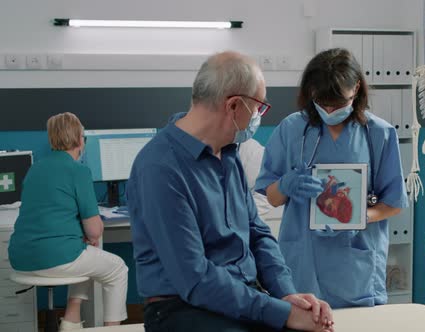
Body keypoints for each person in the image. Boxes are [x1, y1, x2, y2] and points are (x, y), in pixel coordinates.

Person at [126, 51, 334, 332]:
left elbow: (257, 233)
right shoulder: (160, 168)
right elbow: (195, 278)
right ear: (234, 106)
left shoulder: (229, 155)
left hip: (240, 296)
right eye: (259, 107)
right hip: (182, 308)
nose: (258, 116)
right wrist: (281, 314)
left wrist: (287, 295)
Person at [255, 48, 409, 308]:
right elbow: (271, 198)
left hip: (355, 265)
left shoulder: (379, 135)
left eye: (337, 104)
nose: (328, 110)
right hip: (302, 260)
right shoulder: (291, 129)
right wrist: (285, 184)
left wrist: (358, 218)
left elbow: (393, 202)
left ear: (356, 88)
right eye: (321, 102)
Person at [8, 112, 128, 330]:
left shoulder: (34, 169)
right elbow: (94, 231)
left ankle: (72, 320)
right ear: (80, 139)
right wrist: (90, 233)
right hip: (55, 259)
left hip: (21, 258)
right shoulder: (78, 171)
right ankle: (113, 329)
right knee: (118, 269)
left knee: (87, 254)